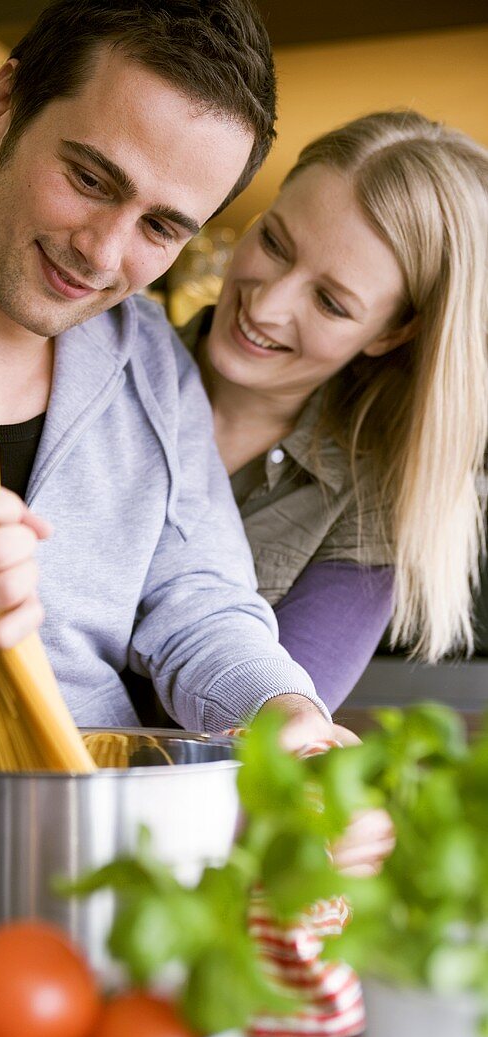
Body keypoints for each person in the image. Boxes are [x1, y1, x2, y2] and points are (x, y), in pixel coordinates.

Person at [0, 0, 389, 893]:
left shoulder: (148, 360)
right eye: (91, 179)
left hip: (106, 905)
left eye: (163, 227)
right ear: (1, 105)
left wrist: (281, 712)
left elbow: (197, 599)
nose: (104, 254)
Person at [181, 111, 488, 710]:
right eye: (273, 242)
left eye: (330, 302)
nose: (266, 306)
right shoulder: (104, 363)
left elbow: (274, 738)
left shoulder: (373, 505)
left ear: (394, 333)